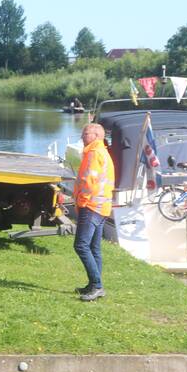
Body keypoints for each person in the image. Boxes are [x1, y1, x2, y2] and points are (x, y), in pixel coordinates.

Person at [72, 122, 114, 301]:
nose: (82, 136)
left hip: (91, 206)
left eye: (86, 133)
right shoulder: (102, 152)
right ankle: (93, 284)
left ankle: (97, 286)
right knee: (94, 248)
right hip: (102, 206)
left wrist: (81, 202)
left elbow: (89, 181)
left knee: (81, 245)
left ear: (96, 136)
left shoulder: (94, 153)